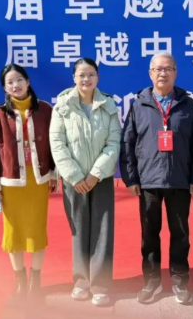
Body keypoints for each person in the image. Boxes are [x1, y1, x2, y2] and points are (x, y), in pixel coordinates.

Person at [120, 52, 193, 305]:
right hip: (148, 180)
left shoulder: (187, 104)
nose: (163, 73)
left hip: (179, 179)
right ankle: (151, 280)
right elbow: (127, 143)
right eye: (158, 69)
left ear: (175, 73)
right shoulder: (139, 104)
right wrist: (131, 178)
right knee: (149, 233)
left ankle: (180, 280)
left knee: (180, 233)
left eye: (168, 69)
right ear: (150, 74)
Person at [49, 58, 121, 307]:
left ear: (98, 77)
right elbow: (57, 143)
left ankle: (100, 284)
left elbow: (114, 142)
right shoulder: (63, 106)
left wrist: (95, 174)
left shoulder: (108, 104)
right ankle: (81, 281)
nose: (86, 79)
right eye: (81, 75)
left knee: (102, 231)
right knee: (79, 230)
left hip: (101, 178)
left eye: (91, 74)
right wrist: (76, 176)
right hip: (74, 180)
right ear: (74, 78)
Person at [0, 64, 58, 303]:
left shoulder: (45, 110)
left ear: (28, 81)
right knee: (13, 234)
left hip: (37, 182)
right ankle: (20, 283)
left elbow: (55, 144)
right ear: (5, 88)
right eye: (10, 83)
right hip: (11, 184)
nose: (15, 85)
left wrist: (54, 173)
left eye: (19, 80)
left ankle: (36, 282)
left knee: (36, 231)